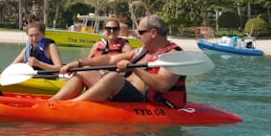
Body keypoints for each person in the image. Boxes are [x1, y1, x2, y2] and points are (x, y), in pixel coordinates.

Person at [50, 14, 186, 109]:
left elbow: (162, 85)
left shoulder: (173, 55)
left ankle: (71, 106)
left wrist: (135, 68)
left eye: (140, 31)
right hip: (125, 93)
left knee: (113, 78)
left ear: (153, 33)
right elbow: (110, 59)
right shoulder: (141, 51)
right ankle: (53, 102)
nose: (137, 35)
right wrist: (79, 63)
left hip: (147, 101)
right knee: (84, 73)